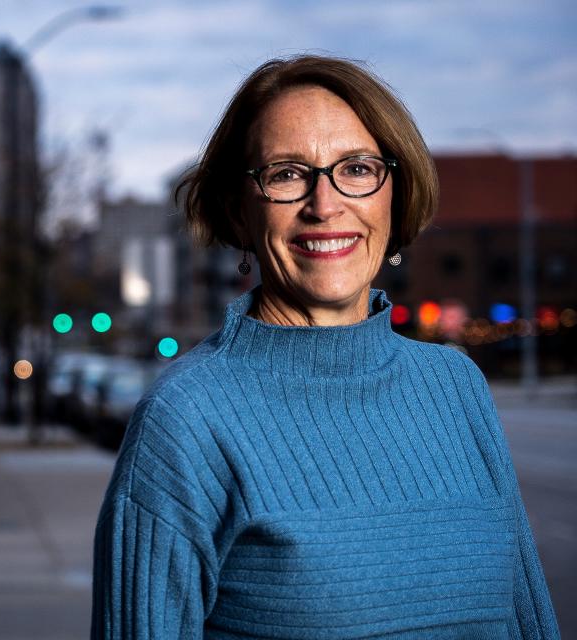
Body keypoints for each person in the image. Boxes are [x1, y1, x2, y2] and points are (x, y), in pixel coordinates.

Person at [90, 55, 559, 639]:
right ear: (240, 209)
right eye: (286, 173)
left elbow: (526, 620)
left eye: (357, 168)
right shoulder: (187, 420)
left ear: (394, 192)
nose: (325, 204)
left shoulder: (455, 387)